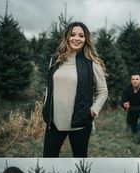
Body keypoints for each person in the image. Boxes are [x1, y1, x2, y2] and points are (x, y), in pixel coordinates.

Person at [43, 21, 108, 157]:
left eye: (81, 36)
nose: (76, 39)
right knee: (48, 157)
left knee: (80, 160)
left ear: (86, 39)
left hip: (80, 124)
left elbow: (102, 92)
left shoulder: (92, 63)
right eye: (73, 35)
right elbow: (49, 88)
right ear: (67, 37)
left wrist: (92, 111)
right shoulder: (56, 60)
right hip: (54, 123)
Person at [121, 73, 140, 144]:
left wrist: (130, 108)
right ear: (131, 80)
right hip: (132, 112)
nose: (135, 81)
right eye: (133, 79)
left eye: (137, 79)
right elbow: (122, 101)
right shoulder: (127, 89)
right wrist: (124, 105)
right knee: (134, 131)